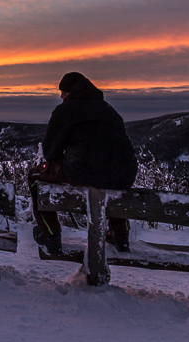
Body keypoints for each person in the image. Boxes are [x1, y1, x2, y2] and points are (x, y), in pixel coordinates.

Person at [31, 72, 138, 254]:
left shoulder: (65, 110)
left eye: (62, 92)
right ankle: (120, 236)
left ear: (68, 92)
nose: (60, 96)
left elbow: (50, 152)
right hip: (125, 173)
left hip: (84, 171)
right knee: (114, 182)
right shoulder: (108, 109)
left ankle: (50, 236)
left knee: (35, 177)